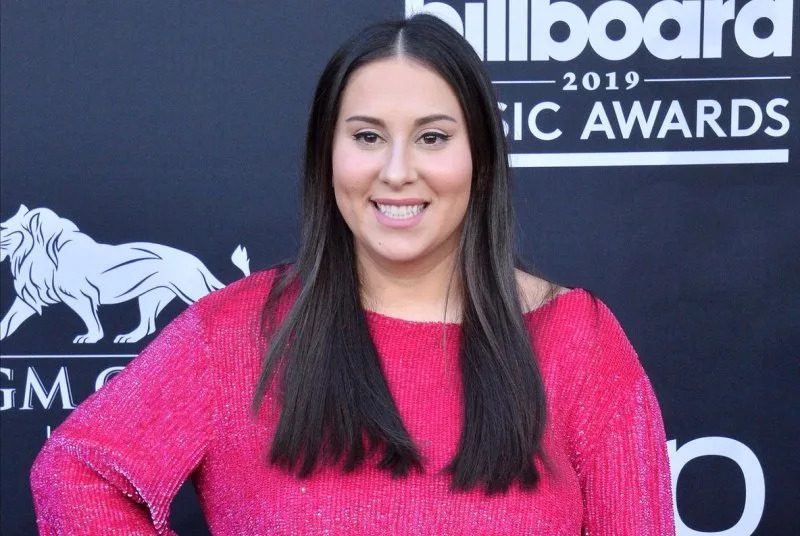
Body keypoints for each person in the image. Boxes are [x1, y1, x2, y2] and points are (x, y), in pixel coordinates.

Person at [30, 14, 675, 535]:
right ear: (327, 153)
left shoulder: (578, 341)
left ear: (481, 157)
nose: (397, 171)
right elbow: (77, 470)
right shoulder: (234, 334)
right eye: (367, 136)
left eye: (433, 137)